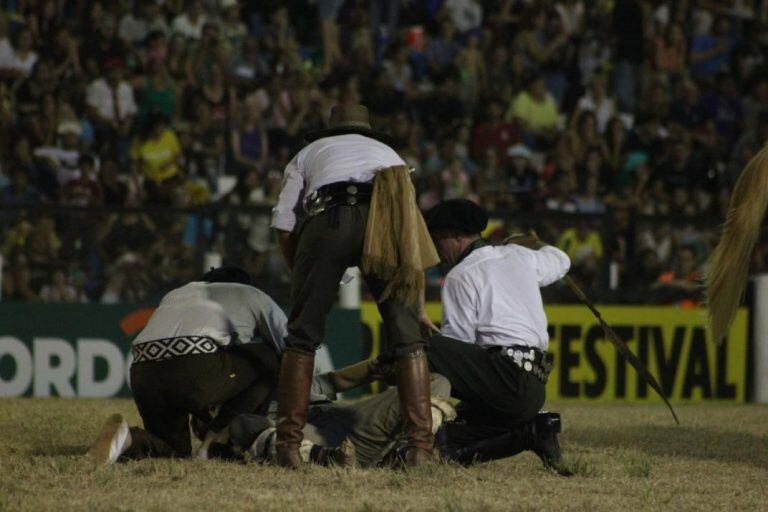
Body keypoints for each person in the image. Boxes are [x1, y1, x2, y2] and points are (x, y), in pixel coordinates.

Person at [270, 104, 439, 467]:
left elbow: (284, 222)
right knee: (408, 340)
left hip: (328, 219)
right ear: (368, 131)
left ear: (330, 130)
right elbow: (413, 237)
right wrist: (418, 306)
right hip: (386, 220)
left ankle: (287, 447)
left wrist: (300, 271)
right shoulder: (390, 155)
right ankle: (420, 449)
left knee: (301, 337)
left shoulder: (307, 153)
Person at [86, 267, 293, 463]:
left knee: (174, 452)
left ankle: (127, 438)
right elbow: (291, 347)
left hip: (142, 371)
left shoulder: (176, 293)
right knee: (270, 359)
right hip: (194, 368)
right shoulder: (251, 293)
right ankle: (218, 439)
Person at [422, 198, 570, 467]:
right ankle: (537, 430)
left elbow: (458, 342)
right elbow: (561, 260)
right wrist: (533, 243)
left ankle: (413, 421)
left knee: (422, 348)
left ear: (456, 237)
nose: (436, 251)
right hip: (533, 388)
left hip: (502, 380)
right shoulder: (520, 255)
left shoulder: (460, 275)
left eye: (437, 240)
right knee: (447, 444)